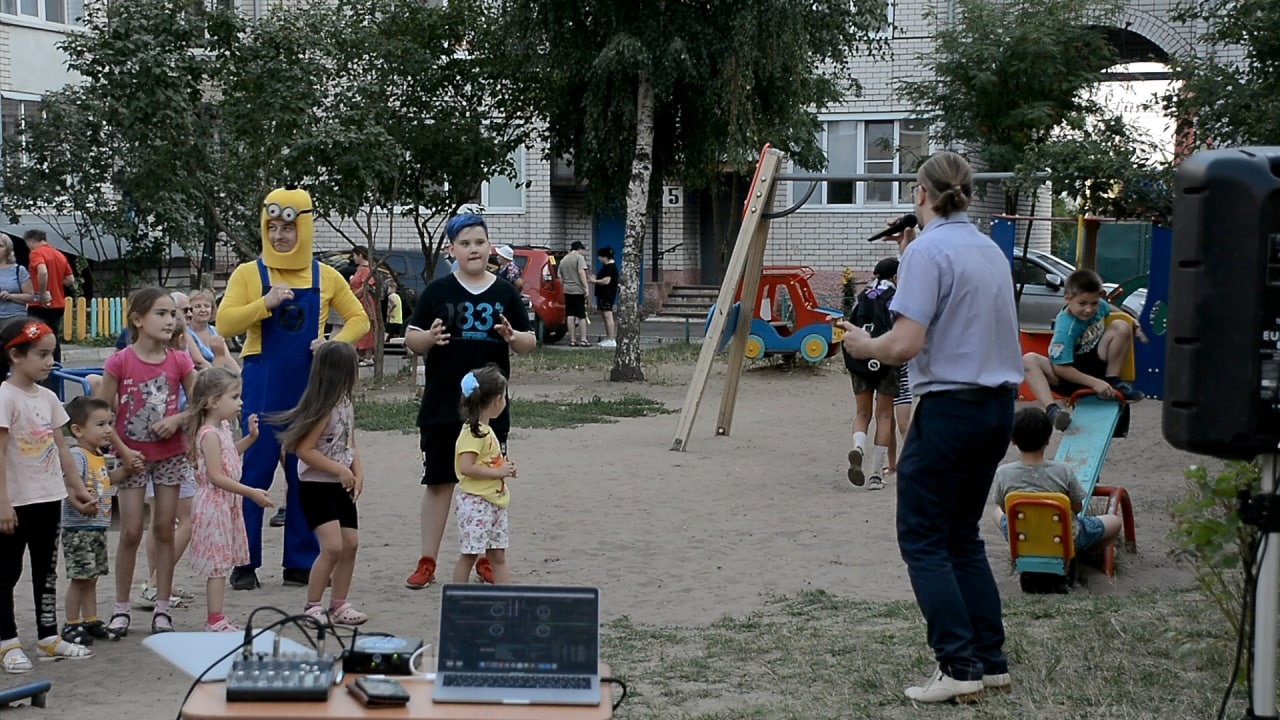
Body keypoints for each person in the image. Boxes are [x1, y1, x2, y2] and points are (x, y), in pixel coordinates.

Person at [840, 150, 1023, 703]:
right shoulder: (988, 248)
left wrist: (861, 344)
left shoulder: (927, 251)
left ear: (920, 195)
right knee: (960, 535)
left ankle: (957, 664)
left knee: (922, 538)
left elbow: (903, 344)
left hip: (950, 409)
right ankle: (989, 661)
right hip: (997, 406)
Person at [215, 186, 369, 592]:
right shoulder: (248, 274)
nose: (280, 235)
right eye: (272, 227)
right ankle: (244, 560)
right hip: (263, 381)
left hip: (310, 385)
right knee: (255, 469)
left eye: (288, 227)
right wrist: (263, 304)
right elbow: (225, 324)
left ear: (304, 227)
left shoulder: (326, 275)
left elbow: (359, 319)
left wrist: (334, 344)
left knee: (310, 473)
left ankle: (301, 560)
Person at [404, 213, 536, 590]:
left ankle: (486, 559)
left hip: (490, 414)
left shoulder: (505, 293)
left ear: (489, 245)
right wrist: (428, 339)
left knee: (488, 485)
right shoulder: (437, 292)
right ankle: (427, 560)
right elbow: (412, 338)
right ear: (452, 250)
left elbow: (529, 343)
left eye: (479, 242)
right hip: (442, 406)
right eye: (464, 243)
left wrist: (514, 338)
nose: (473, 249)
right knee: (440, 482)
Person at [95, 287, 197, 636]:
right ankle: (121, 609)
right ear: (138, 319)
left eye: (173, 314)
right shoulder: (120, 361)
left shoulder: (180, 361)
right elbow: (102, 413)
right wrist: (123, 451)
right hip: (131, 458)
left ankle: (162, 606)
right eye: (161, 313)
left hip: (170, 455)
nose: (170, 320)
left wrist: (178, 420)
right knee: (131, 531)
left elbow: (200, 403)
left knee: (165, 529)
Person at [0, 318, 97, 671]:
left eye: (51, 354)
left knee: (46, 571)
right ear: (15, 355)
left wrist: (76, 490)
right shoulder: (4, 396)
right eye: (41, 354)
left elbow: (60, 447)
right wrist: (3, 502)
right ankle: (7, 641)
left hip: (47, 498)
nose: (48, 362)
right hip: (14, 503)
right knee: (7, 572)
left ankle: (47, 637)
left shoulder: (49, 397)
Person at [271, 342, 367, 627]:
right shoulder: (323, 408)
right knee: (332, 547)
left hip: (341, 484)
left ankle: (339, 604)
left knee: (351, 544)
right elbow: (304, 451)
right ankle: (313, 606)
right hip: (316, 485)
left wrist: (357, 473)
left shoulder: (346, 404)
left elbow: (351, 443)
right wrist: (339, 470)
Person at [185, 367, 271, 632]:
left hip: (225, 504)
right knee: (218, 567)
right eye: (234, 397)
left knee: (222, 562)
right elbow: (216, 475)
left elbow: (228, 454)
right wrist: (250, 492)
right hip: (215, 505)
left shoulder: (220, 428)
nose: (241, 402)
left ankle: (218, 617)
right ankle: (215, 619)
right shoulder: (209, 434)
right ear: (213, 402)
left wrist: (251, 438)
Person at [1022, 268, 1146, 431]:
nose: (1088, 309)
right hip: (1068, 376)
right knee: (1029, 359)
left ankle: (1113, 382)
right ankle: (1052, 410)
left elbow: (1109, 308)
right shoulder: (1065, 326)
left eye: (1093, 303)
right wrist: (1095, 383)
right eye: (1082, 303)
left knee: (1121, 326)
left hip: (1094, 363)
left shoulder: (1098, 306)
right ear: (1068, 298)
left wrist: (1132, 321)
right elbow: (1060, 368)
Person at [990, 407, 1121, 554]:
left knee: (996, 512)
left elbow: (1004, 509)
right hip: (1064, 538)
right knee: (1114, 522)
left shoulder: (1003, 473)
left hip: (1023, 536)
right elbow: (1077, 507)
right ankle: (1089, 553)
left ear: (1013, 440)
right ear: (1048, 439)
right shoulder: (1063, 470)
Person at [138, 307, 200, 610]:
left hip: (155, 449)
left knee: (161, 522)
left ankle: (161, 582)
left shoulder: (156, 361)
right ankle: (155, 581)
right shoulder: (176, 361)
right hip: (173, 449)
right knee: (186, 520)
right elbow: (197, 404)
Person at [61, 396, 131, 644]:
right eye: (100, 424)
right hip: (78, 528)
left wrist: (129, 469)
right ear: (78, 430)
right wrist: (81, 504)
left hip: (96, 527)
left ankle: (90, 619)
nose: (108, 430)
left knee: (91, 577)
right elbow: (68, 486)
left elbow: (107, 480)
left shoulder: (97, 456)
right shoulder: (77, 455)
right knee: (80, 577)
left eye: (109, 424)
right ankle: (71, 624)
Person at [453, 365, 517, 584]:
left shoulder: (486, 430)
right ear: (498, 400)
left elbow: (486, 461)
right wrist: (497, 471)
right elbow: (466, 467)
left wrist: (504, 468)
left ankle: (506, 599)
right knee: (469, 554)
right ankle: (457, 600)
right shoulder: (473, 432)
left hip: (494, 502)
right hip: (475, 502)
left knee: (498, 554)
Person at [843, 257, 900, 491]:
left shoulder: (862, 297)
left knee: (862, 412)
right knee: (884, 415)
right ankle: (876, 474)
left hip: (860, 360)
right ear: (896, 277)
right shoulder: (896, 298)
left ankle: (858, 447)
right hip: (886, 360)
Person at [23, 230, 73, 393]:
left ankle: (37, 377)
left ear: (31, 241)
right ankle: (54, 375)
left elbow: (42, 271)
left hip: (40, 304)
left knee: (35, 339)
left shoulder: (36, 253)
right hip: (58, 303)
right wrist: (55, 282)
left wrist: (43, 292)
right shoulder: (58, 254)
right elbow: (69, 280)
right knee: (54, 340)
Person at [188, 290, 240, 374]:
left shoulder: (215, 330)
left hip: (216, 375)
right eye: (198, 306)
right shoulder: (186, 332)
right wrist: (218, 376)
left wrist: (241, 376)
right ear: (190, 310)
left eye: (207, 306)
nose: (203, 310)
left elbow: (227, 358)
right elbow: (199, 362)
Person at [348, 247, 378, 366]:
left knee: (366, 326)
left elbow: (366, 286)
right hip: (358, 301)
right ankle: (360, 353)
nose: (353, 258)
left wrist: (354, 295)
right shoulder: (359, 268)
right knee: (359, 325)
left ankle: (368, 355)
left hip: (364, 301)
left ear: (360, 255)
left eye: (354, 255)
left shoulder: (366, 269)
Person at [558, 240, 590, 346]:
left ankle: (572, 339)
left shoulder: (563, 260)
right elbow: (581, 272)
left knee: (570, 314)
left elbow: (560, 276)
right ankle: (583, 339)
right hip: (578, 290)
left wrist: (565, 285)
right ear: (579, 249)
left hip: (567, 290)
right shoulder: (579, 258)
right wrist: (586, 287)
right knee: (581, 315)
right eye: (582, 250)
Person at [0, 235, 34, 323]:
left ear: (8, 250)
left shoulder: (19, 270)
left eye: (0, 246)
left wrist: (10, 296)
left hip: (14, 319)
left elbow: (30, 296)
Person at [590, 247, 618, 348]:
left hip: (607, 294)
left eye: (600, 256)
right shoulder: (606, 266)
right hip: (602, 294)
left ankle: (611, 339)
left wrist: (595, 281)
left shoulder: (610, 267)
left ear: (605, 257)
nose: (599, 258)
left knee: (608, 316)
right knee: (604, 316)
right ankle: (608, 337)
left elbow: (607, 281)